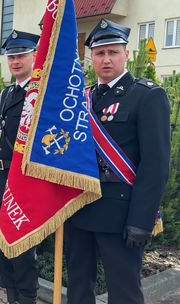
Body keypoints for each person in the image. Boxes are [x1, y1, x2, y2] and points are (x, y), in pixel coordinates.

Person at [65, 19, 171, 304]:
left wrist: (141, 221)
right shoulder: (82, 98)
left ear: (126, 54)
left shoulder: (147, 96)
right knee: (78, 285)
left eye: (113, 52)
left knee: (123, 292)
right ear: (91, 59)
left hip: (121, 215)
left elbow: (156, 165)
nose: (106, 59)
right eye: (100, 53)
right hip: (80, 208)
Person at [0, 30, 40, 304]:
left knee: (22, 248)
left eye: (21, 55)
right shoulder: (6, 94)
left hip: (24, 183)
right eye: (12, 56)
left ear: (35, 56)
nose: (16, 61)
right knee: (1, 246)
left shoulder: (38, 93)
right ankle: (11, 296)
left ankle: (26, 298)